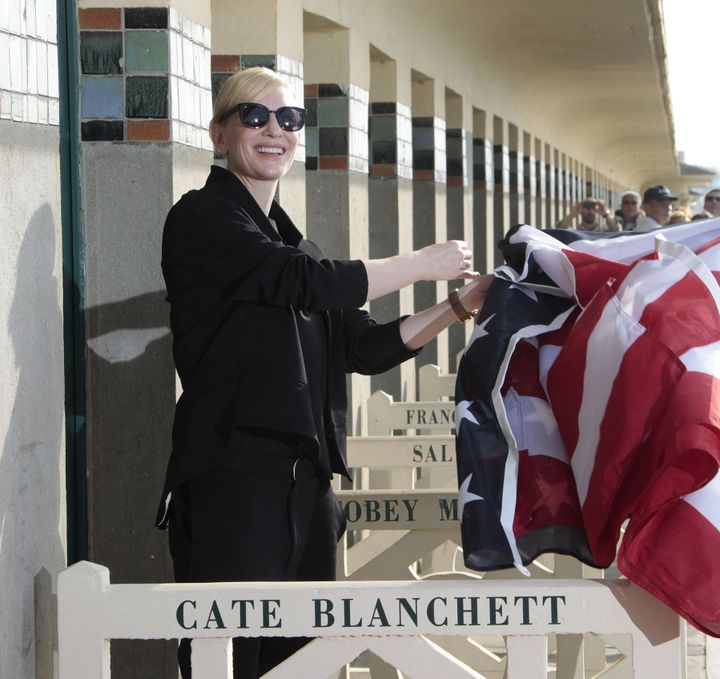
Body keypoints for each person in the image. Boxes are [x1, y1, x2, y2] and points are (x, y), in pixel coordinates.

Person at [156, 67, 490, 679]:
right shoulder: (202, 219)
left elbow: (363, 348)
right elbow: (307, 283)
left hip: (306, 486)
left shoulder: (296, 246)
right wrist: (420, 263)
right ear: (219, 134)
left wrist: (458, 307)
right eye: (254, 116)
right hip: (233, 480)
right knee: (233, 660)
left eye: (289, 119)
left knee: (306, 660)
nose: (274, 130)